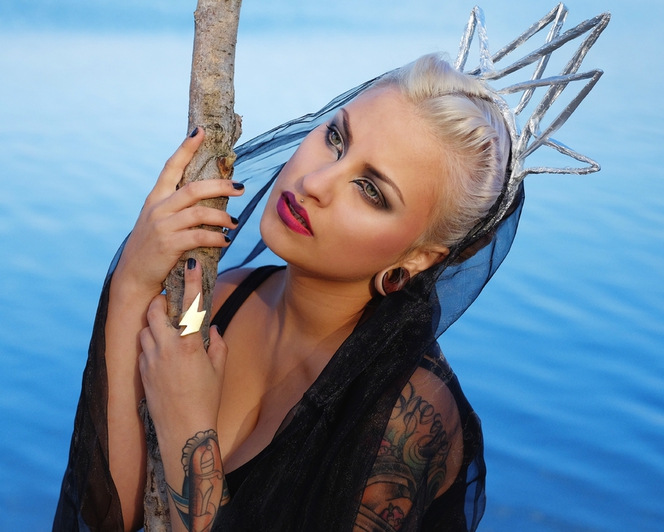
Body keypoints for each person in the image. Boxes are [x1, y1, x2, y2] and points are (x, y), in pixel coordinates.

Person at [53, 53, 521, 532]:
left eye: (370, 190)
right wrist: (133, 280)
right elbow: (111, 513)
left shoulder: (407, 417)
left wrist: (186, 427)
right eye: (335, 139)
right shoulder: (217, 303)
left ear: (418, 258)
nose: (314, 182)